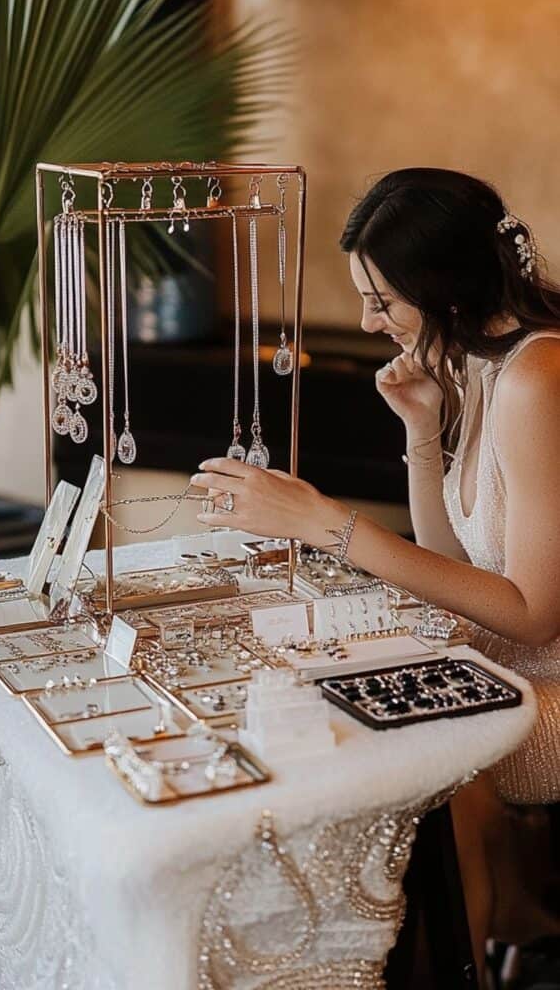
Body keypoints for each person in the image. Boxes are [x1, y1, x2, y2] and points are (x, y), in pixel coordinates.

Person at [191, 168, 560, 974]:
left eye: (382, 300)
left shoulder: (535, 376)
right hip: (497, 663)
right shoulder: (473, 365)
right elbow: (454, 561)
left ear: (447, 290)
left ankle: (465, 948)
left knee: (402, 769)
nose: (367, 319)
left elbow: (532, 615)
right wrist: (422, 430)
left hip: (546, 689)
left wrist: (327, 524)